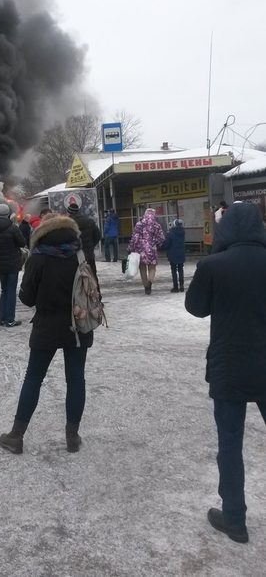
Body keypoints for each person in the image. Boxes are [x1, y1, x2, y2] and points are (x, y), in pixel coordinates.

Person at [185, 202, 266, 544]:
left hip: (228, 366)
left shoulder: (213, 265)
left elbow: (196, 308)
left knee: (229, 444)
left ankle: (234, 518)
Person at [0, 215, 94, 454]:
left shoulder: (38, 257)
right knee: (75, 379)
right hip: (78, 325)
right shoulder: (80, 253)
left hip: (47, 327)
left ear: (43, 232)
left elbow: (27, 299)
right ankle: (72, 437)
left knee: (33, 378)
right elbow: (94, 290)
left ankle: (16, 436)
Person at [0, 202, 26, 327]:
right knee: (11, 291)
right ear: (8, 214)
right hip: (13, 263)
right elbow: (21, 243)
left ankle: (1, 318)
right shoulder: (13, 227)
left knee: (4, 290)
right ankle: (10, 319)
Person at [127, 208, 165, 294]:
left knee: (142, 268)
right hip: (152, 249)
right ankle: (150, 282)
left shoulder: (139, 224)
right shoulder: (157, 225)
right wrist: (156, 244)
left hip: (140, 250)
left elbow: (134, 238)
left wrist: (131, 248)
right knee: (152, 267)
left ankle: (145, 286)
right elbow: (161, 238)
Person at [66, 202, 101, 283]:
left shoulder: (68, 223)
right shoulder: (89, 221)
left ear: (69, 212)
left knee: (77, 278)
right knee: (92, 275)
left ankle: (80, 295)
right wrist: (91, 245)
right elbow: (98, 235)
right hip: (89, 253)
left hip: (75, 255)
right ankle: (96, 294)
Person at [162, 218, 186, 292]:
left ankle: (175, 287)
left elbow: (166, 244)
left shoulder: (170, 233)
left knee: (173, 270)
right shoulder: (183, 232)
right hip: (181, 253)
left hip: (172, 253)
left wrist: (163, 247)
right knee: (180, 269)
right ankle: (182, 286)